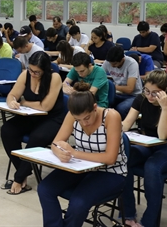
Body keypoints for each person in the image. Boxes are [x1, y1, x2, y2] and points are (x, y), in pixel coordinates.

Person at [37, 82, 127, 227]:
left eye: (86, 118)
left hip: (111, 172)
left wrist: (74, 153)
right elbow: (56, 142)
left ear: (95, 108)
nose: (83, 123)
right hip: (81, 167)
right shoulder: (73, 115)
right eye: (78, 120)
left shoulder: (111, 116)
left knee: (78, 202)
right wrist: (60, 152)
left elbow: (110, 158)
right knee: (45, 189)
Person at [121, 70, 167, 227]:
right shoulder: (141, 99)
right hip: (148, 144)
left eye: (155, 93)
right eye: (147, 91)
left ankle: (149, 222)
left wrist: (164, 108)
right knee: (123, 159)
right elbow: (126, 125)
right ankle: (128, 213)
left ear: (165, 91)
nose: (150, 97)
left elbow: (163, 135)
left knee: (152, 166)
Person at [1, 52, 65, 194]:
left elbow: (46, 106)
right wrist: (12, 101)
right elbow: (12, 94)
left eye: (37, 72)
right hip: (32, 115)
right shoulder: (26, 74)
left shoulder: (54, 77)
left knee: (38, 137)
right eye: (31, 70)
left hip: (53, 118)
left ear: (45, 70)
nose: (33, 74)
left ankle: (19, 178)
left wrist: (24, 102)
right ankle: (23, 171)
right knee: (7, 130)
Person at [102, 46, 143, 119]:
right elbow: (99, 75)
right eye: (111, 63)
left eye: (114, 64)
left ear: (122, 59)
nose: (112, 66)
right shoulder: (108, 62)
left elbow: (130, 89)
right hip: (117, 93)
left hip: (134, 95)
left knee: (121, 109)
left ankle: (122, 127)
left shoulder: (131, 64)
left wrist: (112, 86)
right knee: (103, 104)